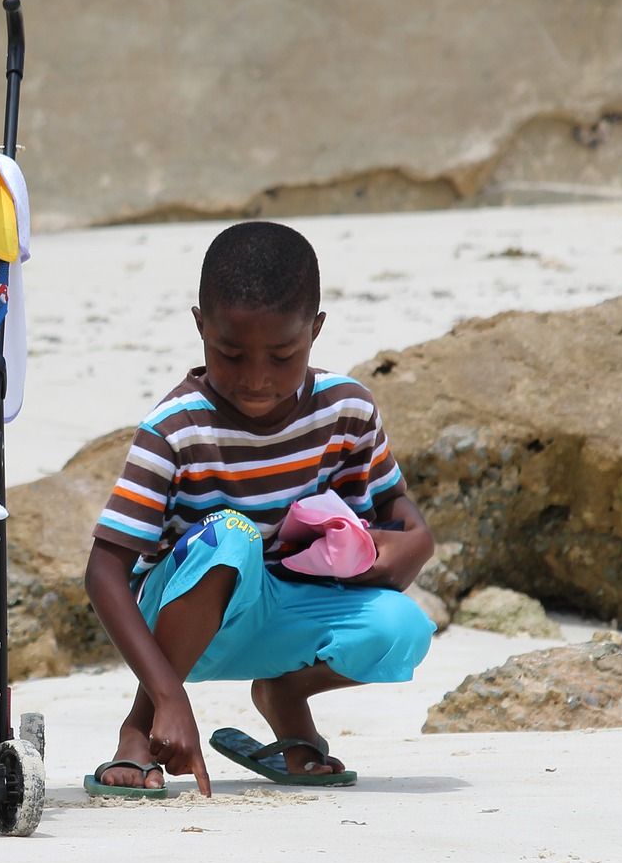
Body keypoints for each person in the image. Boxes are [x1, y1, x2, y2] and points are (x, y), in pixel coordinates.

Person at [82, 221, 436, 798]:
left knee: (403, 628)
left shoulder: (347, 410)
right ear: (200, 326)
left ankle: (286, 697)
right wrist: (171, 695)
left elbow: (400, 512)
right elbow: (104, 570)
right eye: (230, 352)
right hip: (178, 621)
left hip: (285, 613)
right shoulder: (176, 427)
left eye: (282, 354)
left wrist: (417, 543)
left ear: (316, 330)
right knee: (233, 535)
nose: (256, 379)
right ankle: (140, 725)